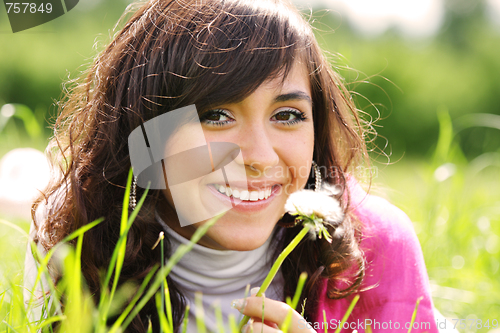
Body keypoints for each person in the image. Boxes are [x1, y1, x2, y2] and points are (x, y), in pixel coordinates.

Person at [25, 0, 445, 332]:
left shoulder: (375, 245)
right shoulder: (74, 235)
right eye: (215, 115)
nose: (260, 157)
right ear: (145, 131)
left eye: (288, 116)